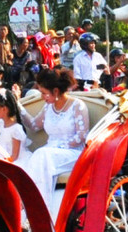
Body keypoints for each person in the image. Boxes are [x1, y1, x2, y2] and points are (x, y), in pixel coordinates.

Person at [20, 68, 89, 219]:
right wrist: (18, 107)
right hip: (51, 153)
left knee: (42, 154)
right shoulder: (48, 107)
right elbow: (33, 125)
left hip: (73, 153)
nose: (42, 97)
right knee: (30, 159)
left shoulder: (77, 106)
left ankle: (40, 214)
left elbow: (82, 137)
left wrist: (57, 146)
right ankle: (30, 209)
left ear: (56, 91)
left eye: (44, 93)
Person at [0, 89, 31, 168]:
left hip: (14, 162)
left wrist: (1, 165)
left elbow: (14, 156)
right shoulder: (1, 124)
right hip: (2, 156)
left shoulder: (16, 129)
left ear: (4, 109)